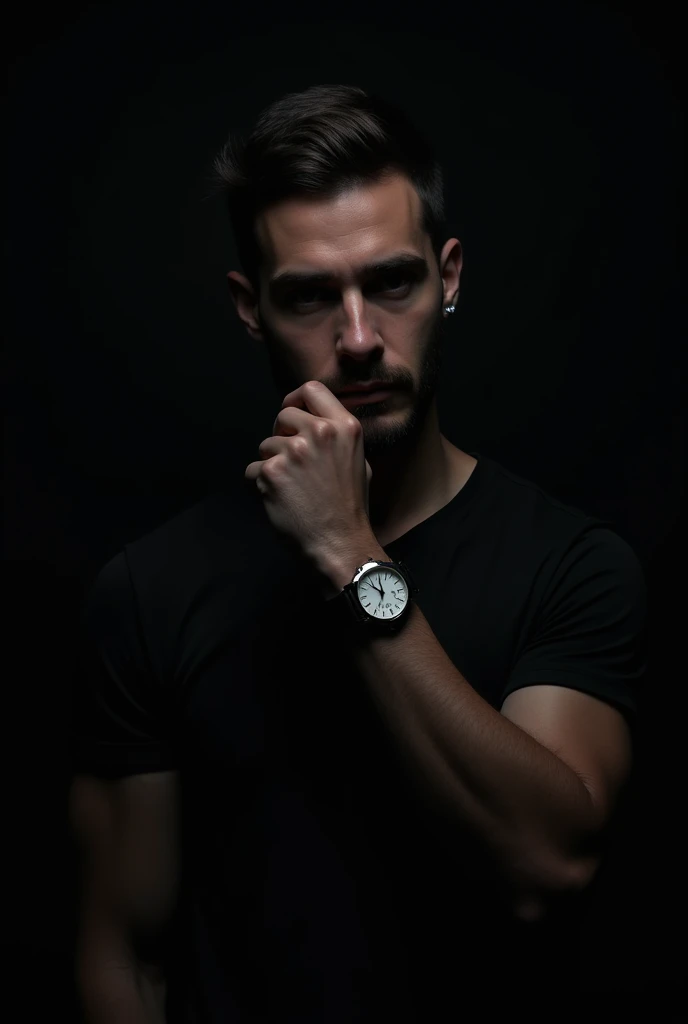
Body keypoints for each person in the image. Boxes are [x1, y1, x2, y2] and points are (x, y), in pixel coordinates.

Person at [69, 84, 647, 1022]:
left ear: (448, 277)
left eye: (393, 281)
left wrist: (349, 552)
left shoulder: (574, 567)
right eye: (308, 296)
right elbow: (124, 958)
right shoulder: (149, 591)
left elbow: (550, 861)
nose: (360, 339)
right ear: (250, 307)